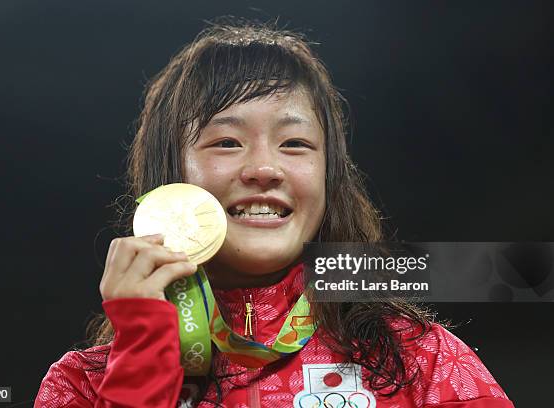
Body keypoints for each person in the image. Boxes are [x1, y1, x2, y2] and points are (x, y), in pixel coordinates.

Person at [35, 19, 515, 408]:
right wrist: (141, 350)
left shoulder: (422, 362)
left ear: (329, 180)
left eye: (295, 144)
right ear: (168, 178)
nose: (265, 168)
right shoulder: (80, 386)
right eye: (226, 142)